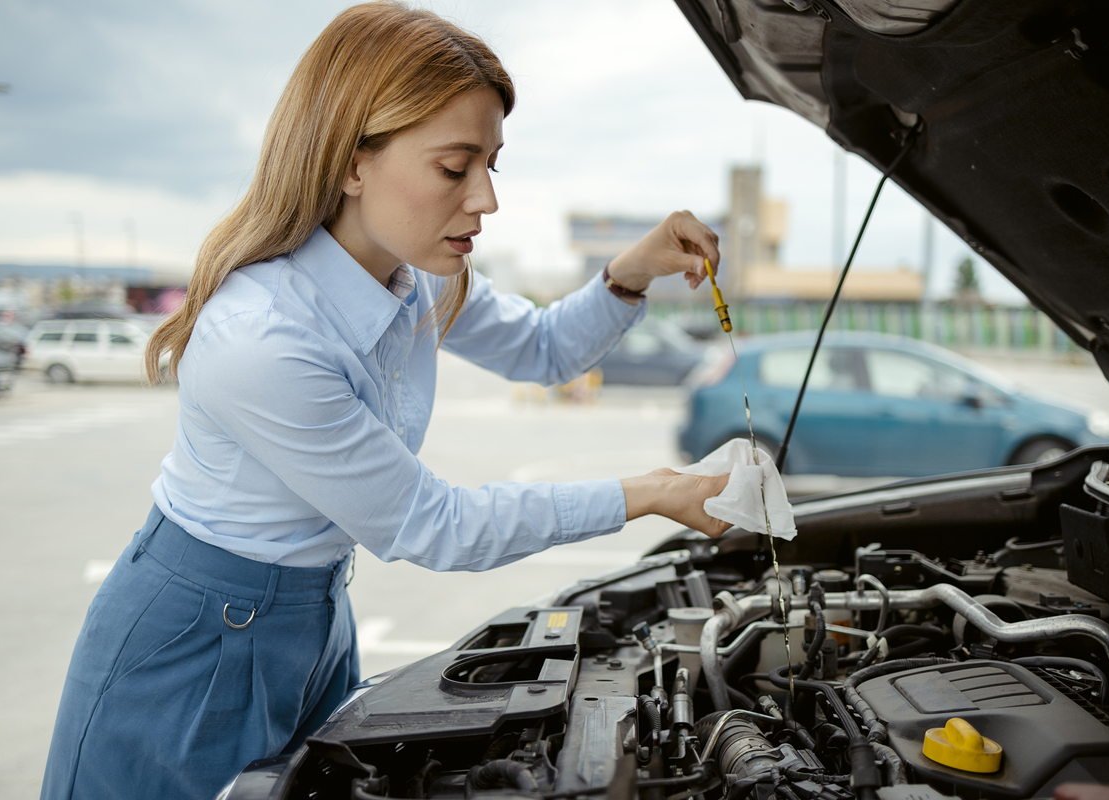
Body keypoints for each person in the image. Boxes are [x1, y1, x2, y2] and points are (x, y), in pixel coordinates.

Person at [40, 4, 731, 799]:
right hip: (192, 650)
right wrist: (653, 492)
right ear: (350, 163)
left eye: (491, 165)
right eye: (454, 167)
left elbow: (543, 349)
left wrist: (631, 270)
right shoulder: (261, 338)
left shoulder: (418, 278)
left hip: (316, 619)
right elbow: (432, 524)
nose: (486, 200)